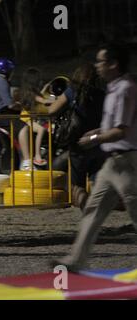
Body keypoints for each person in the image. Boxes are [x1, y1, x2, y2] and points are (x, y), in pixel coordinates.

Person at [51, 44, 137, 271]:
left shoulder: (125, 88)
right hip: (112, 161)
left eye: (101, 61)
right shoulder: (112, 88)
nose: (97, 66)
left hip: (127, 161)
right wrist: (97, 133)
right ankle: (76, 260)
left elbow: (121, 130)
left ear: (113, 64)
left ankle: (76, 259)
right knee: (92, 211)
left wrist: (95, 139)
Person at [46, 64, 106, 210]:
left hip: (78, 142)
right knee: (95, 180)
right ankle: (95, 208)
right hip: (98, 140)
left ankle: (87, 210)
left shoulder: (72, 92)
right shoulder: (102, 93)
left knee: (77, 186)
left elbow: (52, 110)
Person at [0, 58, 32, 170]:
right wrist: (21, 105)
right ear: (7, 70)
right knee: (23, 127)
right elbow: (10, 104)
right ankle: (27, 162)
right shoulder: (2, 82)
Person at [17, 68, 53, 168]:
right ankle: (37, 155)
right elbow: (44, 101)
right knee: (41, 129)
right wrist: (60, 100)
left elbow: (39, 97)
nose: (40, 81)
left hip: (29, 118)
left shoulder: (29, 91)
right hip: (26, 119)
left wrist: (45, 89)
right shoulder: (30, 93)